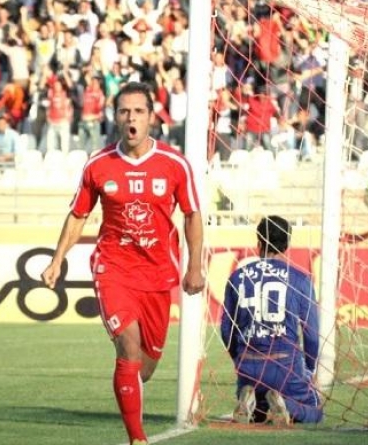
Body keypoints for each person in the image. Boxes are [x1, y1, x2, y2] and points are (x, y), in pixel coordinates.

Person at [41, 82, 205, 445]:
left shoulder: (174, 164)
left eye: (139, 111)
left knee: (144, 368)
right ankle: (137, 438)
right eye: (124, 111)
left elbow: (192, 214)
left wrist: (195, 266)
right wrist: (57, 260)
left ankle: (131, 387)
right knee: (129, 347)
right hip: (113, 269)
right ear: (115, 117)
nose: (131, 118)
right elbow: (78, 215)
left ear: (151, 117)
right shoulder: (98, 165)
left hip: (158, 274)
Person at [221, 215, 323, 425]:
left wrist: (238, 359)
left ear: (259, 242)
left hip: (248, 365)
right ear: (287, 244)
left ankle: (252, 401)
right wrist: (310, 369)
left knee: (258, 412)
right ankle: (285, 404)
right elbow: (311, 334)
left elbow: (226, 330)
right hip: (285, 364)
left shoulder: (237, 277)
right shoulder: (300, 279)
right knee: (315, 409)